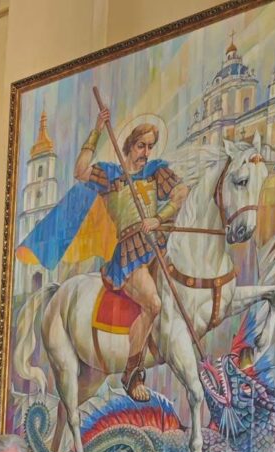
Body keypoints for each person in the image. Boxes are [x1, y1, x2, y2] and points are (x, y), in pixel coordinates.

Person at [74, 109, 189, 400]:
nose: (146, 153)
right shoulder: (110, 175)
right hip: (130, 252)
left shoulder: (155, 171)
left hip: (158, 243)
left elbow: (181, 193)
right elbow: (80, 171)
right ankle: (132, 373)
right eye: (141, 146)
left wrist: (159, 217)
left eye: (150, 146)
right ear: (129, 145)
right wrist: (97, 131)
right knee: (153, 303)